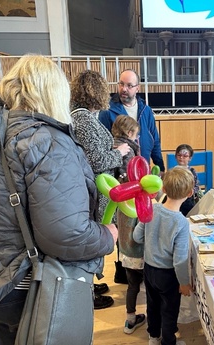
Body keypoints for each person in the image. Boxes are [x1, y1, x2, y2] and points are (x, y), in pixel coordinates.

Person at [0, 55, 118, 345]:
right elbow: (65, 235)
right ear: (55, 92)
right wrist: (106, 235)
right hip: (27, 285)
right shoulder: (46, 141)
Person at [70, 70, 130, 309]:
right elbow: (96, 162)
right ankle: (88, 293)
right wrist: (120, 152)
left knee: (95, 238)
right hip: (94, 191)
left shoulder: (83, 117)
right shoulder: (83, 120)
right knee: (94, 239)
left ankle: (91, 284)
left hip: (94, 189)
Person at [133, 166, 193, 345]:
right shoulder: (181, 222)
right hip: (168, 275)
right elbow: (180, 259)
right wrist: (184, 283)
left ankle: (153, 337)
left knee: (152, 305)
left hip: (149, 270)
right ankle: (168, 341)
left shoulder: (152, 208)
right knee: (169, 310)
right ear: (190, 194)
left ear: (163, 189)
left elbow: (137, 236)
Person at [111, 115, 146, 334]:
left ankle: (130, 319)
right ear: (131, 133)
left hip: (120, 225)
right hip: (136, 233)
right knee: (149, 282)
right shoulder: (130, 152)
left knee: (132, 284)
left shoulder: (109, 148)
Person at [98, 69, 165, 172]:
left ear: (137, 88)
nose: (124, 89)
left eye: (129, 85)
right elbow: (102, 145)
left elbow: (155, 141)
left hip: (143, 170)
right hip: (119, 174)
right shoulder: (107, 111)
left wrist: (160, 167)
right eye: (121, 84)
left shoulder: (146, 110)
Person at [173, 144, 203, 216]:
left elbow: (196, 186)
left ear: (190, 158)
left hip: (188, 199)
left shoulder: (192, 171)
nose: (181, 158)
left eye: (185, 156)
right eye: (179, 155)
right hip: (175, 198)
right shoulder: (173, 171)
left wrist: (190, 192)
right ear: (175, 156)